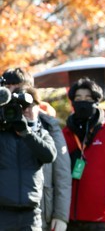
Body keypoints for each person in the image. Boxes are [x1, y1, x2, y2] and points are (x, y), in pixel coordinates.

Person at [62, 77, 105, 230]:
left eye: (88, 98)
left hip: (102, 219)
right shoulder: (65, 134)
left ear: (96, 101)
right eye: (78, 98)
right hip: (68, 218)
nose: (82, 102)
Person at [0, 87, 57, 230]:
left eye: (30, 106)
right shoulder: (2, 134)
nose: (26, 111)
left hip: (31, 214)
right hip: (3, 213)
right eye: (22, 108)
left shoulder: (40, 133)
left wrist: (27, 133)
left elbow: (49, 155)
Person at [23, 87, 72, 231]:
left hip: (44, 214)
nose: (26, 110)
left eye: (30, 105)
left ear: (38, 105)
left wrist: (61, 215)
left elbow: (62, 174)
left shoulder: (49, 126)